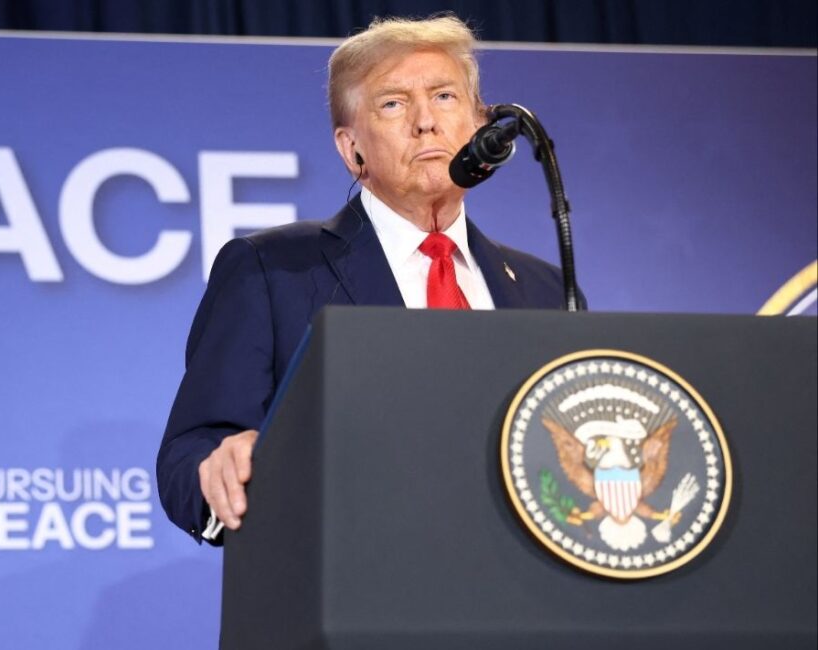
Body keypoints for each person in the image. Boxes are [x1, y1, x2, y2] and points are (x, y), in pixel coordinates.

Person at [157, 14, 583, 543]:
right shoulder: (272, 271)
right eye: (393, 103)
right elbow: (189, 454)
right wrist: (221, 470)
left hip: (525, 600)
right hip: (353, 590)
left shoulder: (545, 291)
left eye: (445, 97)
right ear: (351, 148)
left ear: (480, 126)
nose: (425, 121)